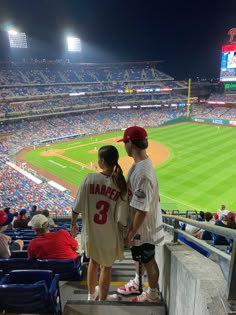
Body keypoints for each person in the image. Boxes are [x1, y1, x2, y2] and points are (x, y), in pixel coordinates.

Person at [70, 145, 129, 301]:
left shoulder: (89, 179)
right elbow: (122, 218)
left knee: (93, 263)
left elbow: (76, 208)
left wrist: (73, 224)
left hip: (92, 233)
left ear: (102, 161)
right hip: (110, 234)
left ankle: (91, 296)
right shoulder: (121, 184)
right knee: (107, 267)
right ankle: (102, 300)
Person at [116, 126, 165, 302]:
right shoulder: (140, 164)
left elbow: (142, 210)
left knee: (149, 260)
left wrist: (131, 233)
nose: (124, 146)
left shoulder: (143, 173)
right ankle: (137, 284)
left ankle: (152, 295)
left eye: (125, 142)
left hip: (144, 229)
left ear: (131, 143)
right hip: (141, 228)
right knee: (141, 257)